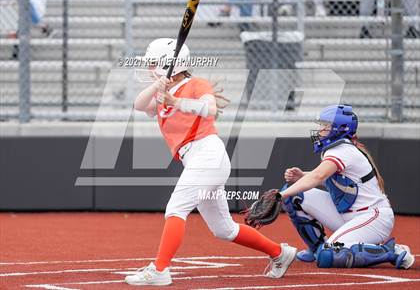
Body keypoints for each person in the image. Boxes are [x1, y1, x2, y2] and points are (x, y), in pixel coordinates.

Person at [124, 38, 298, 286]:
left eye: (154, 63)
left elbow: (210, 109)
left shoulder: (195, 84)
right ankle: (280, 253)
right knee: (224, 230)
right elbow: (140, 105)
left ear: (168, 64)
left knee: (175, 209)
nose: (150, 68)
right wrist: (159, 88)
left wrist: (175, 101)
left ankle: (160, 270)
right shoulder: (164, 92)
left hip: (207, 154)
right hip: (197, 159)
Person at [278, 104, 415, 269]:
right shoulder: (337, 148)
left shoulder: (342, 150)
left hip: (372, 218)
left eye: (324, 125)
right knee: (294, 195)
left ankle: (390, 250)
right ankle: (316, 249)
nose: (320, 129)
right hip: (347, 215)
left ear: (338, 129)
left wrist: (280, 196)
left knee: (328, 252)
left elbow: (318, 176)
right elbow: (337, 182)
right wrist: (302, 177)